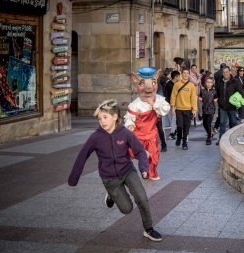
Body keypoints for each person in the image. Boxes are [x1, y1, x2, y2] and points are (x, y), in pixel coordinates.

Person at [68, 99, 163, 242]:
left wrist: (144, 168)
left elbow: (140, 152)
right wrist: (74, 178)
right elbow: (82, 156)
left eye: (105, 117)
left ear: (115, 117)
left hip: (127, 171)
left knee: (142, 198)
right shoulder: (96, 137)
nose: (102, 121)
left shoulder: (125, 133)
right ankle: (111, 195)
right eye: (100, 118)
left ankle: (148, 229)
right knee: (127, 209)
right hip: (110, 178)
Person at [124, 67, 171, 181]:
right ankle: (127, 168)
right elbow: (129, 117)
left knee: (154, 154)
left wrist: (153, 104)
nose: (148, 88)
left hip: (151, 133)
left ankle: (150, 173)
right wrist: (130, 124)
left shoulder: (158, 99)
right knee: (129, 151)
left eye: (152, 83)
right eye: (143, 84)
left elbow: (165, 109)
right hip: (137, 134)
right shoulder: (135, 104)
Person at [170, 67, 197, 150]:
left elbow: (193, 98)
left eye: (187, 73)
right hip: (179, 109)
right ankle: (178, 138)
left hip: (188, 109)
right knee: (180, 126)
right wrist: (172, 107)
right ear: (182, 74)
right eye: (184, 73)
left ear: (189, 75)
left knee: (186, 127)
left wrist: (194, 109)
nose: (185, 75)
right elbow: (173, 96)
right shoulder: (177, 84)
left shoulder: (191, 85)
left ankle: (184, 143)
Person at [215, 65, 242, 145]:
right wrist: (219, 101)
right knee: (222, 124)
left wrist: (238, 104)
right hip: (223, 107)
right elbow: (217, 93)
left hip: (232, 107)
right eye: (224, 72)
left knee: (233, 123)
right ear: (222, 73)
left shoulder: (235, 81)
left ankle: (233, 140)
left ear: (230, 72)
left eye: (227, 72)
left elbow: (240, 93)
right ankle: (221, 140)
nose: (225, 74)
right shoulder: (219, 82)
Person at [199, 76, 218, 145]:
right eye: (208, 82)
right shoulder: (202, 91)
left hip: (211, 110)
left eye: (210, 82)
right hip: (204, 109)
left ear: (213, 83)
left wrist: (216, 112)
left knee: (208, 123)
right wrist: (200, 110)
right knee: (204, 123)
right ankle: (210, 132)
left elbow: (215, 102)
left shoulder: (214, 92)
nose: (209, 84)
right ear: (205, 83)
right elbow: (200, 101)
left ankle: (209, 138)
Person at [164, 70, 180, 140]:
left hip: (171, 104)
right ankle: (172, 133)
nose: (179, 77)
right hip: (171, 104)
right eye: (178, 76)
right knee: (173, 119)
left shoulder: (170, 84)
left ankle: (174, 131)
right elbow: (171, 96)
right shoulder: (172, 85)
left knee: (174, 119)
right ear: (175, 77)